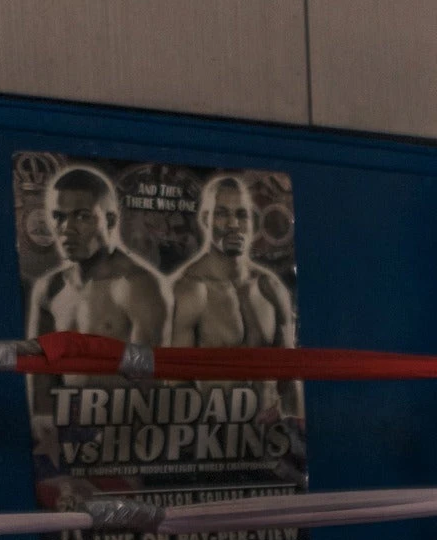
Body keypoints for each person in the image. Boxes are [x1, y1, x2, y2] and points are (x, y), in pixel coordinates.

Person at [28, 166, 169, 421]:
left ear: (111, 220)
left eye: (82, 216)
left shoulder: (138, 285)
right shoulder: (50, 287)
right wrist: (44, 433)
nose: (67, 228)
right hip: (68, 435)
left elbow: (148, 385)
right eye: (58, 216)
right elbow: (41, 375)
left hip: (124, 438)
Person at [171, 176, 301, 417]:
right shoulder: (189, 289)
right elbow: (176, 381)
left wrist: (295, 434)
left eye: (242, 215)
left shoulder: (270, 287)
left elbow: (289, 378)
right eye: (222, 213)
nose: (233, 224)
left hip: (267, 438)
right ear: (205, 220)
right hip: (209, 437)